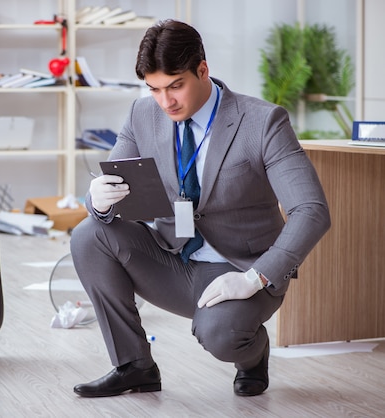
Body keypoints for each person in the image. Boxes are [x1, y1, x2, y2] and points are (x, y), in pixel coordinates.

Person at [70, 19, 331, 398]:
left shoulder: (263, 122)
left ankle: (253, 354)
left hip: (242, 269)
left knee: (221, 336)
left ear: (203, 70)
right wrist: (97, 200)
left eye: (176, 85)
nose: (165, 101)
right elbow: (109, 198)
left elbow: (312, 210)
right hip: (172, 259)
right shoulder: (142, 115)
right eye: (154, 89)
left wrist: (255, 277)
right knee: (88, 236)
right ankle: (134, 366)